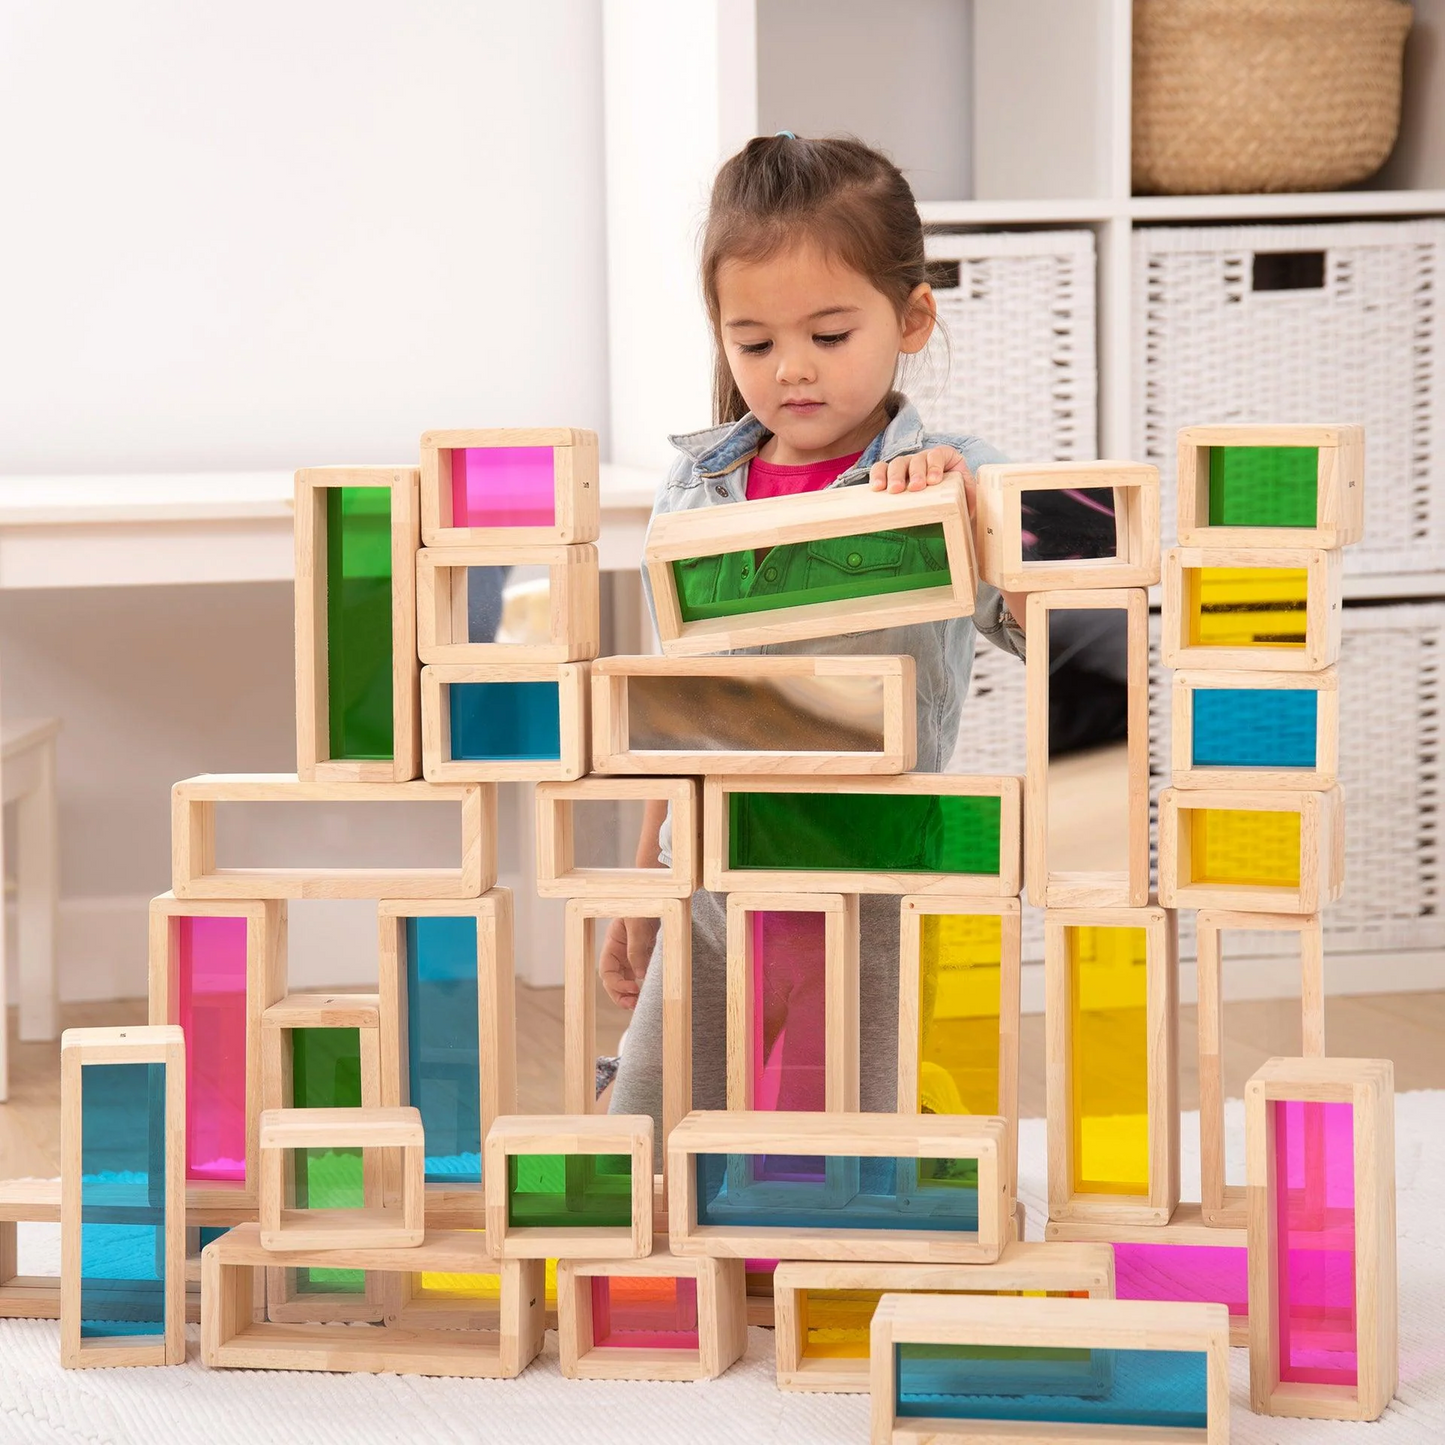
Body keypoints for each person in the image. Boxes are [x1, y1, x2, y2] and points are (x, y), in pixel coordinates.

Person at [602, 133, 1028, 1130]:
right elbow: (672, 703)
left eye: (828, 336)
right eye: (753, 343)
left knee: (836, 1138)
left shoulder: (951, 478)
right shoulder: (694, 488)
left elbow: (1059, 622)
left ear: (910, 317)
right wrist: (641, 877)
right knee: (654, 1128)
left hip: (865, 864)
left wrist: (972, 522)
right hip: (712, 858)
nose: (790, 369)